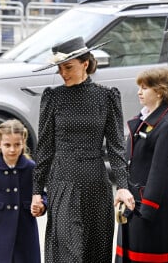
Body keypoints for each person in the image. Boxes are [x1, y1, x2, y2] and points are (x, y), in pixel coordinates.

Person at [31, 36, 135, 262]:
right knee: (67, 252)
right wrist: (37, 192)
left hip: (96, 184)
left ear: (85, 64)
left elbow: (116, 147)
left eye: (68, 67)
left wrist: (123, 187)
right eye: (59, 68)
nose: (63, 73)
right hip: (63, 181)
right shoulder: (53, 97)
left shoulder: (107, 96)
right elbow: (45, 148)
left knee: (95, 251)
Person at [115, 67, 168, 263]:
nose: (139, 91)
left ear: (159, 91)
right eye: (139, 87)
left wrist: (147, 208)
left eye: (145, 87)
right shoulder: (141, 120)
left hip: (153, 207)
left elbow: (160, 169)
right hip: (134, 201)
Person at [0, 119, 46, 263]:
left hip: (25, 232)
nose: (12, 149)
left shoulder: (31, 168)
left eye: (17, 145)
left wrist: (42, 205)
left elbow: (42, 194)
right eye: (7, 145)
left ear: (23, 143)